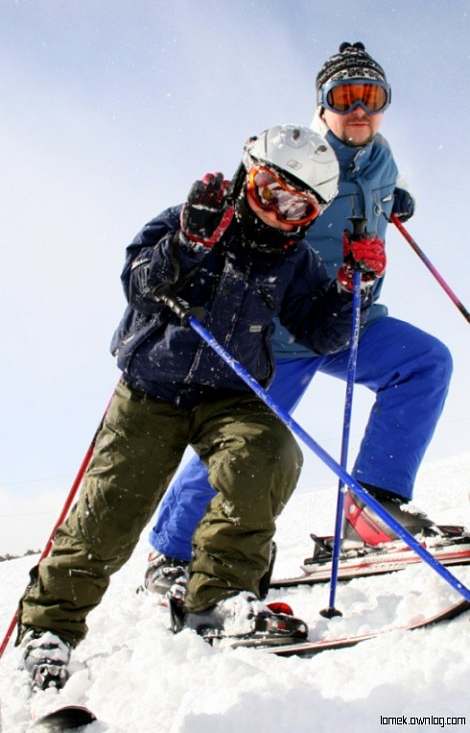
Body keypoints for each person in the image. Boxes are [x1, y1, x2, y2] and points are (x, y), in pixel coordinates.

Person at [16, 123, 386, 690]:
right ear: (247, 174)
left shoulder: (293, 259)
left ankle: (220, 596)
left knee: (266, 454)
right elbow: (140, 283)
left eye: (297, 208)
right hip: (152, 390)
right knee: (108, 512)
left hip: (231, 394)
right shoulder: (188, 218)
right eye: (270, 192)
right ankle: (50, 628)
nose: (277, 213)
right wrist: (187, 244)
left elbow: (324, 334)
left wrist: (353, 288)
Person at [144, 42, 453, 597]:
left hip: (349, 321)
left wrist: (391, 201)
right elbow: (254, 209)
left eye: (372, 96)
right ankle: (170, 553)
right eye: (344, 96)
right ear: (323, 105)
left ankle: (372, 510)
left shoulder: (383, 162)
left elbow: (370, 195)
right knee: (245, 441)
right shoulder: (303, 159)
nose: (358, 109)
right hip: (281, 333)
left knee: (425, 363)